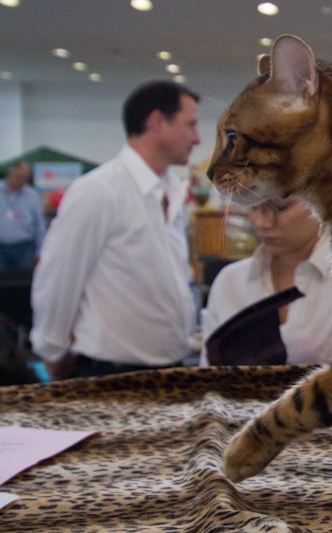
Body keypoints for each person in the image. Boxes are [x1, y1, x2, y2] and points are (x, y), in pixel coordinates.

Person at [31, 80, 202, 379]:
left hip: (170, 371)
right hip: (110, 374)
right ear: (157, 122)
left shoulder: (170, 192)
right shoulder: (100, 191)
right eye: (190, 125)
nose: (198, 138)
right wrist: (53, 352)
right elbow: (58, 279)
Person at [200, 197, 332, 366]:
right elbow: (209, 378)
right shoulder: (230, 281)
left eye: (281, 207)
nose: (262, 222)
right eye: (252, 207)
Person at [0, 160, 47, 272]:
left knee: (23, 283)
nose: (22, 181)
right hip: (1, 247)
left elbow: (39, 225)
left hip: (25, 248)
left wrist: (40, 251)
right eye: (19, 177)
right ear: (10, 173)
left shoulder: (32, 196)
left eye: (25, 177)